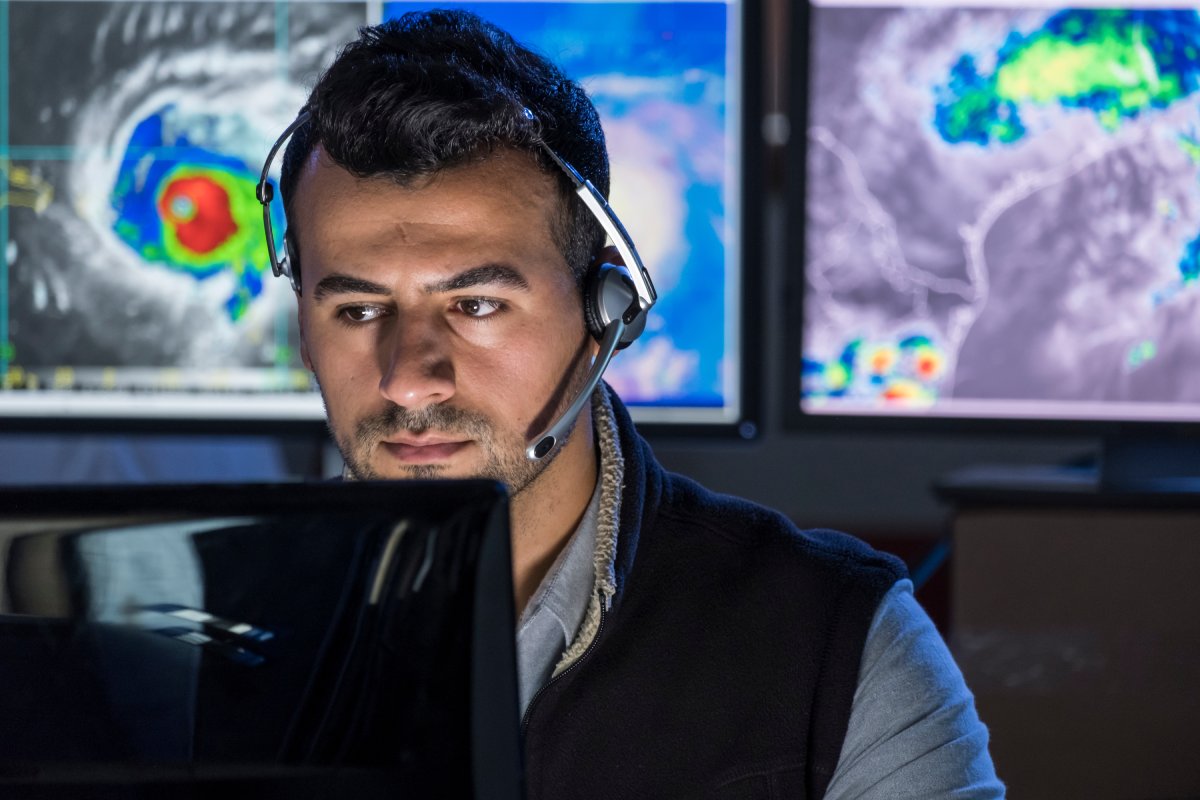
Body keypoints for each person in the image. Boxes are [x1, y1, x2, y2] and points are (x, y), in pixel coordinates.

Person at [260, 10, 1004, 798]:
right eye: (357, 311)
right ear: (305, 328)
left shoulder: (837, 649)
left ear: (605, 312)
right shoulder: (181, 640)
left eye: (476, 305)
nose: (408, 379)